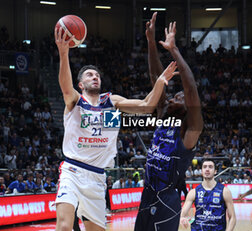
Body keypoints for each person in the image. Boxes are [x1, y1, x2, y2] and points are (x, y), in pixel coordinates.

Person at [54, 25, 178, 231]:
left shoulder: (112, 102)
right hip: (72, 171)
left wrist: (160, 82)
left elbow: (146, 106)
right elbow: (66, 87)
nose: (95, 77)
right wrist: (64, 53)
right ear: (81, 84)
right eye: (89, 75)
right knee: (65, 226)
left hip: (97, 177)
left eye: (97, 75)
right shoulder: (75, 101)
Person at [134, 13, 203, 231]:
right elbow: (158, 80)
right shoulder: (165, 115)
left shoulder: (191, 130)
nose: (174, 96)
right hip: (147, 195)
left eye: (179, 97)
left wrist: (173, 50)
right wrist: (151, 43)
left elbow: (191, 88)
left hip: (166, 201)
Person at [180, 159, 236, 231]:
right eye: (205, 167)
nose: (207, 169)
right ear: (201, 171)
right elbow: (183, 213)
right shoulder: (193, 192)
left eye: (210, 167)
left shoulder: (224, 191)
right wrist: (182, 218)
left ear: (215, 171)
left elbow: (233, 217)